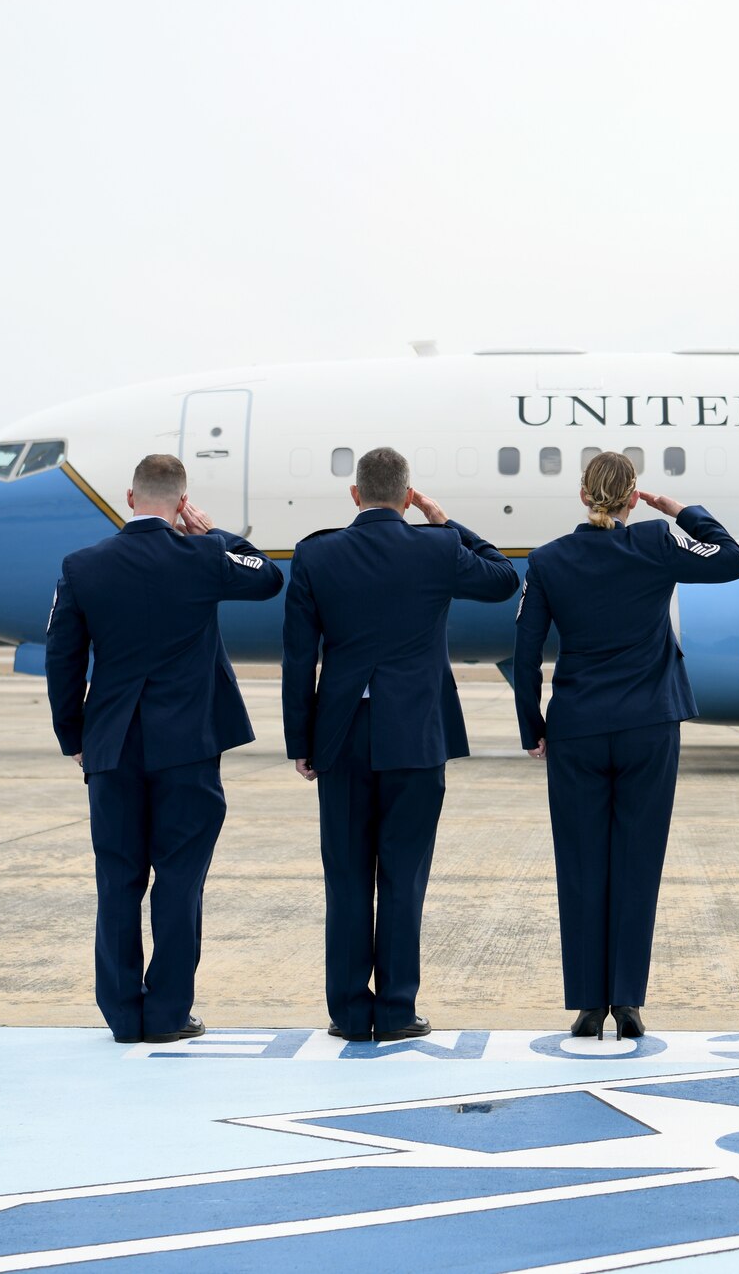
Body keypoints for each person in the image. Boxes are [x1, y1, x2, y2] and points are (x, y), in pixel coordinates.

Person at [512, 450, 739, 1040]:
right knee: (638, 863)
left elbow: (525, 653)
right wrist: (682, 511)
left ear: (582, 495)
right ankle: (628, 1001)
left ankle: (588, 1005)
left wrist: (532, 726)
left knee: (581, 864)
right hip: (650, 725)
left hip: (578, 728)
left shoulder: (548, 560)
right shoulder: (655, 543)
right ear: (631, 496)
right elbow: (734, 561)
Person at [45, 454, 284, 1044]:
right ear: (182, 501)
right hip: (189, 745)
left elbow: (63, 661)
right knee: (180, 880)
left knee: (118, 879)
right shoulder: (203, 556)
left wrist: (74, 736)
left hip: (113, 746)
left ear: (130, 498)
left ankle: (124, 1014)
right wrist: (214, 533)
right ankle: (169, 1013)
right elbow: (268, 575)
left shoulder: (83, 566)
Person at [281, 447, 518, 1043]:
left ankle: (347, 1011)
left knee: (347, 877)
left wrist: (299, 738)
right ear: (408, 495)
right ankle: (395, 1010)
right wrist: (446, 524)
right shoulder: (437, 548)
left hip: (341, 734)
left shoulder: (316, 553)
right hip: (415, 735)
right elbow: (503, 579)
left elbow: (297, 657)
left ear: (355, 495)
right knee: (405, 876)